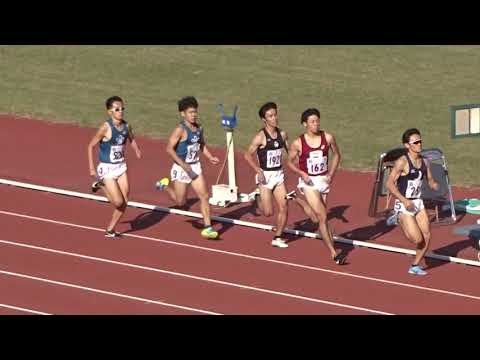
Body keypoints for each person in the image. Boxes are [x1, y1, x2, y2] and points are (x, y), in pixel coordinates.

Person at [286, 107, 346, 265]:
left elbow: (337, 155)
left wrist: (331, 174)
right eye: (312, 122)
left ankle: (296, 199)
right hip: (309, 182)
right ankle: (334, 253)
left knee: (316, 217)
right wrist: (302, 173)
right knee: (323, 217)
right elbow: (289, 162)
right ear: (304, 124)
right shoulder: (298, 143)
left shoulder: (328, 138)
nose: (316, 124)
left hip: (323, 182)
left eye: (317, 121)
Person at [156, 96, 220, 240]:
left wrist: (210, 157)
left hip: (195, 167)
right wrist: (183, 165)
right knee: (181, 202)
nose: (194, 115)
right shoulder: (180, 130)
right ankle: (164, 185)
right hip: (181, 169)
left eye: (195, 112)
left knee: (204, 196)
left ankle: (207, 227)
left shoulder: (199, 128)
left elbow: (201, 145)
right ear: (183, 113)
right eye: (190, 112)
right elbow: (169, 149)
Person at [385, 128, 439, 276]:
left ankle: (414, 265)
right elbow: (389, 184)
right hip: (404, 205)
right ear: (407, 145)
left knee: (427, 237)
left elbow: (430, 180)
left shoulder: (425, 162)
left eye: (420, 141)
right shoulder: (402, 162)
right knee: (417, 238)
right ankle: (397, 217)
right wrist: (404, 199)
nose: (419, 144)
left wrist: (434, 185)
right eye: (416, 142)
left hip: (418, 203)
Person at [244, 102, 298, 248]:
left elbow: (290, 152)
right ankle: (257, 196)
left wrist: (297, 159)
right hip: (265, 176)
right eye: (270, 116)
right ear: (264, 120)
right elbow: (247, 155)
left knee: (284, 206)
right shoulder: (260, 137)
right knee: (268, 213)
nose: (274, 118)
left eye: (275, 114)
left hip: (278, 175)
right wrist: (258, 170)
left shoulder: (282, 134)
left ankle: (277, 237)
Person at [87, 96, 142, 237]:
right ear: (110, 112)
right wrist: (92, 167)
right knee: (118, 202)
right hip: (107, 169)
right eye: (117, 109)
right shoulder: (106, 127)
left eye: (122, 108)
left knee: (125, 202)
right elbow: (90, 146)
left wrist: (136, 149)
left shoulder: (126, 126)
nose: (121, 111)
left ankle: (110, 230)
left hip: (121, 167)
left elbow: (131, 138)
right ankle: (102, 185)